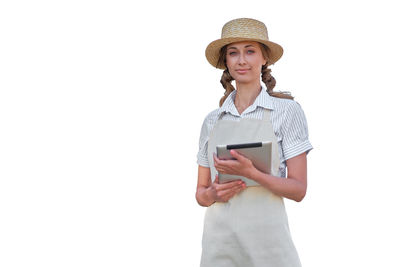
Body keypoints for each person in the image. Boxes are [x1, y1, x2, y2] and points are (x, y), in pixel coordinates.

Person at [196, 18, 313, 266]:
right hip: (220, 245)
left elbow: (299, 189)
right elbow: (200, 193)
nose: (241, 60)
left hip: (269, 245)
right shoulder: (212, 121)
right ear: (225, 62)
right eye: (233, 53)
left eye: (250, 51)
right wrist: (213, 193)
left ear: (264, 59)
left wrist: (253, 174)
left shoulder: (287, 111)